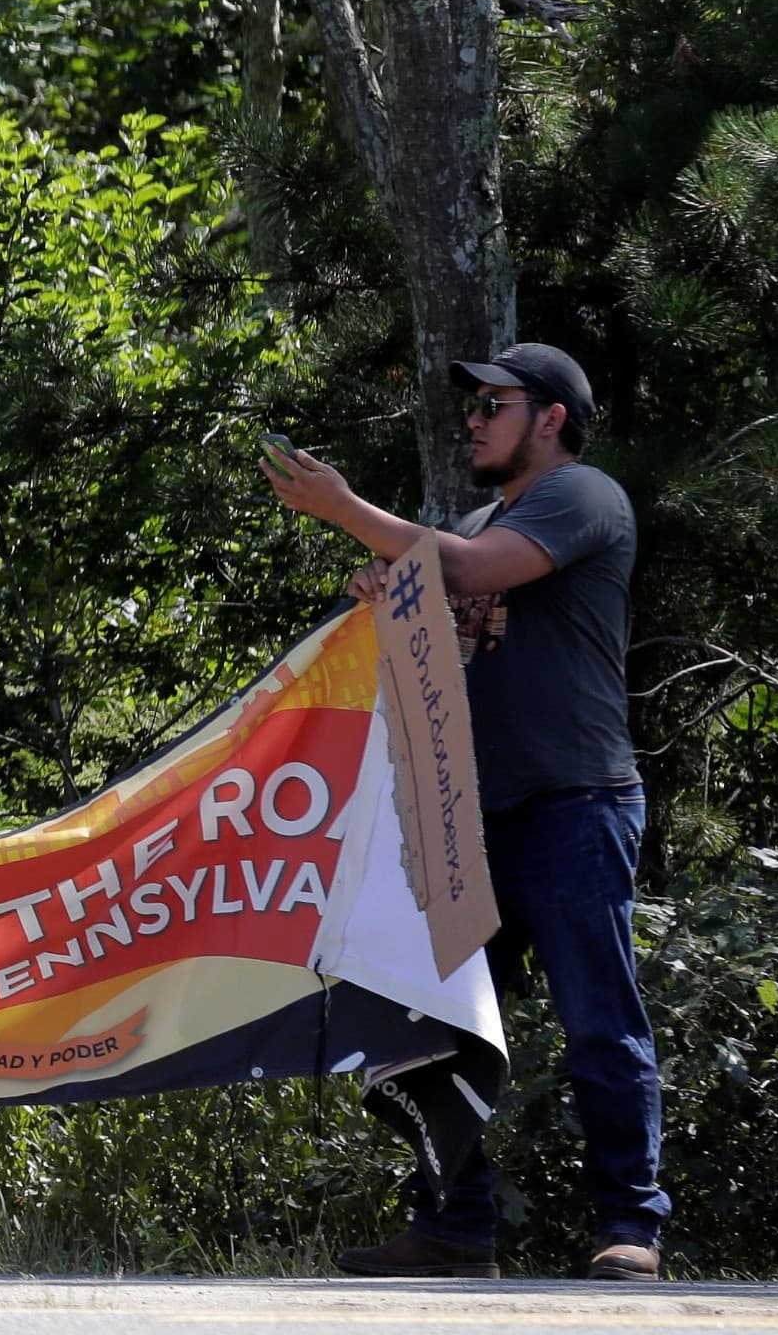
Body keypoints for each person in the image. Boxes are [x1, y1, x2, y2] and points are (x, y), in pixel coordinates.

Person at [261, 340, 665, 1282]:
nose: (474, 419)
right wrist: (386, 594)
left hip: (573, 805)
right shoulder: (486, 517)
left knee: (599, 1022)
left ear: (550, 417)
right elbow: (441, 614)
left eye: (494, 404)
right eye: (473, 405)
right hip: (466, 821)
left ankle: (631, 1229)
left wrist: (348, 512)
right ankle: (455, 1227)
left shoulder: (584, 496)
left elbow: (476, 570)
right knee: (427, 1023)